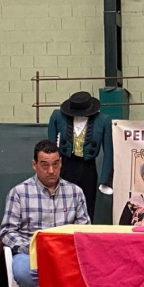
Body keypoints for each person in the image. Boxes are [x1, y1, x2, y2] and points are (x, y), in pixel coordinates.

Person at [0, 140, 90, 287]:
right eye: (44, 165)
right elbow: (7, 232)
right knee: (23, 271)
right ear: (34, 165)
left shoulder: (75, 192)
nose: (51, 170)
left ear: (61, 163)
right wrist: (29, 248)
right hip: (30, 252)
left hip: (66, 253)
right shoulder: (19, 193)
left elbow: (84, 230)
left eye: (55, 164)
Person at [48, 91, 113, 221]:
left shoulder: (103, 120)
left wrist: (106, 180)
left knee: (88, 207)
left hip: (88, 167)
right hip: (65, 165)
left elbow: (109, 151)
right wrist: (53, 171)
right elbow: (50, 149)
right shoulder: (57, 116)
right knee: (62, 206)